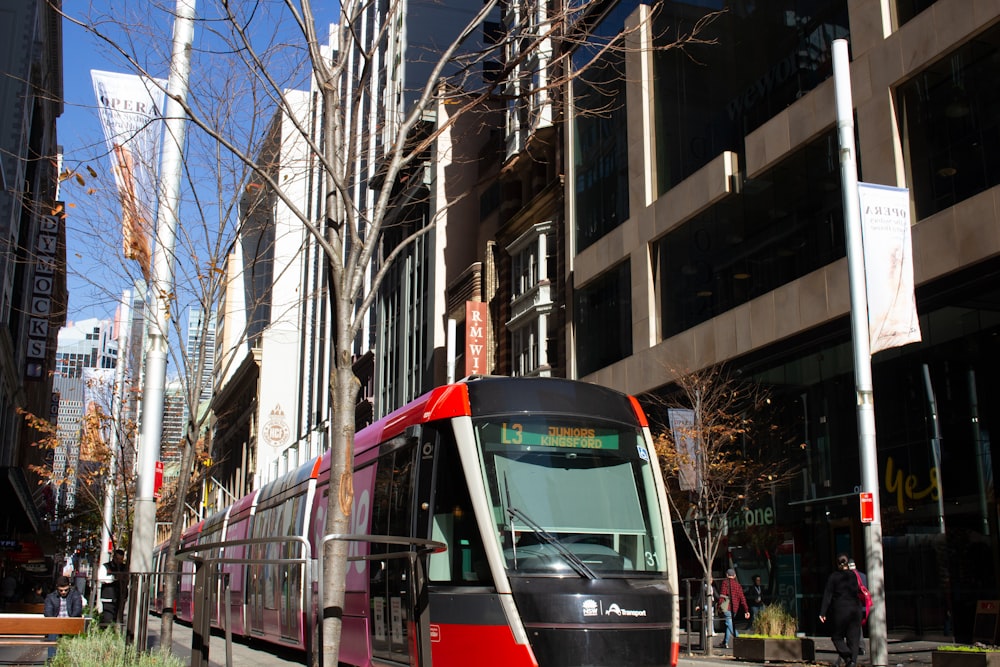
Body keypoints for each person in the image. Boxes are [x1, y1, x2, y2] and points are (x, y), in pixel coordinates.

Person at [820, 553, 863, 667]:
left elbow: (827, 595)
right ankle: (852, 661)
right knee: (853, 638)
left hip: (840, 610)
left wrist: (823, 612)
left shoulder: (833, 577)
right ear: (847, 563)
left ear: (837, 564)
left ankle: (847, 656)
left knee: (837, 636)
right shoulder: (854, 576)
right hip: (855, 608)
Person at [718, 568, 750, 649]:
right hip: (735, 608)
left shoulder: (725, 583)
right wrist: (746, 610)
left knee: (729, 624)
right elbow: (742, 598)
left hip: (727, 607)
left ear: (727, 575)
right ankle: (725, 642)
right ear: (735, 576)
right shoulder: (738, 585)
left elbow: (722, 595)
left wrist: (719, 606)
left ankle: (739, 640)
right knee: (729, 624)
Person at [99, 548, 128, 626]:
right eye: (117, 559)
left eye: (121, 559)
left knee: (118, 619)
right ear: (114, 557)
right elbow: (101, 578)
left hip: (120, 598)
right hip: (108, 597)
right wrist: (114, 577)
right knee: (108, 620)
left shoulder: (125, 568)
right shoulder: (106, 566)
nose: (119, 561)